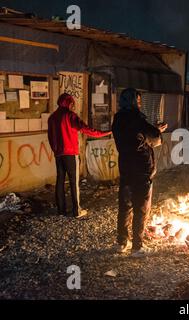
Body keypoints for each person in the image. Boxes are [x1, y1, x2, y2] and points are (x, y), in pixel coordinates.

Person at [112, 88, 167, 257]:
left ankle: (122, 242)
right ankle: (137, 246)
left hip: (126, 167)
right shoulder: (137, 119)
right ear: (133, 102)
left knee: (125, 205)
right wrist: (157, 130)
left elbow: (138, 136)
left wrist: (151, 130)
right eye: (138, 100)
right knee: (141, 208)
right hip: (142, 169)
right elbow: (155, 139)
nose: (140, 103)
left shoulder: (118, 119)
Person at [47, 93, 111, 218]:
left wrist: (55, 150)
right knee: (73, 181)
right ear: (68, 103)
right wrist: (106, 132)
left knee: (60, 181)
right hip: (70, 153)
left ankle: (61, 210)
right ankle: (77, 211)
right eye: (72, 103)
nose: (73, 106)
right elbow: (87, 130)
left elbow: (50, 137)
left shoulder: (52, 117)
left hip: (58, 154)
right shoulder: (70, 116)